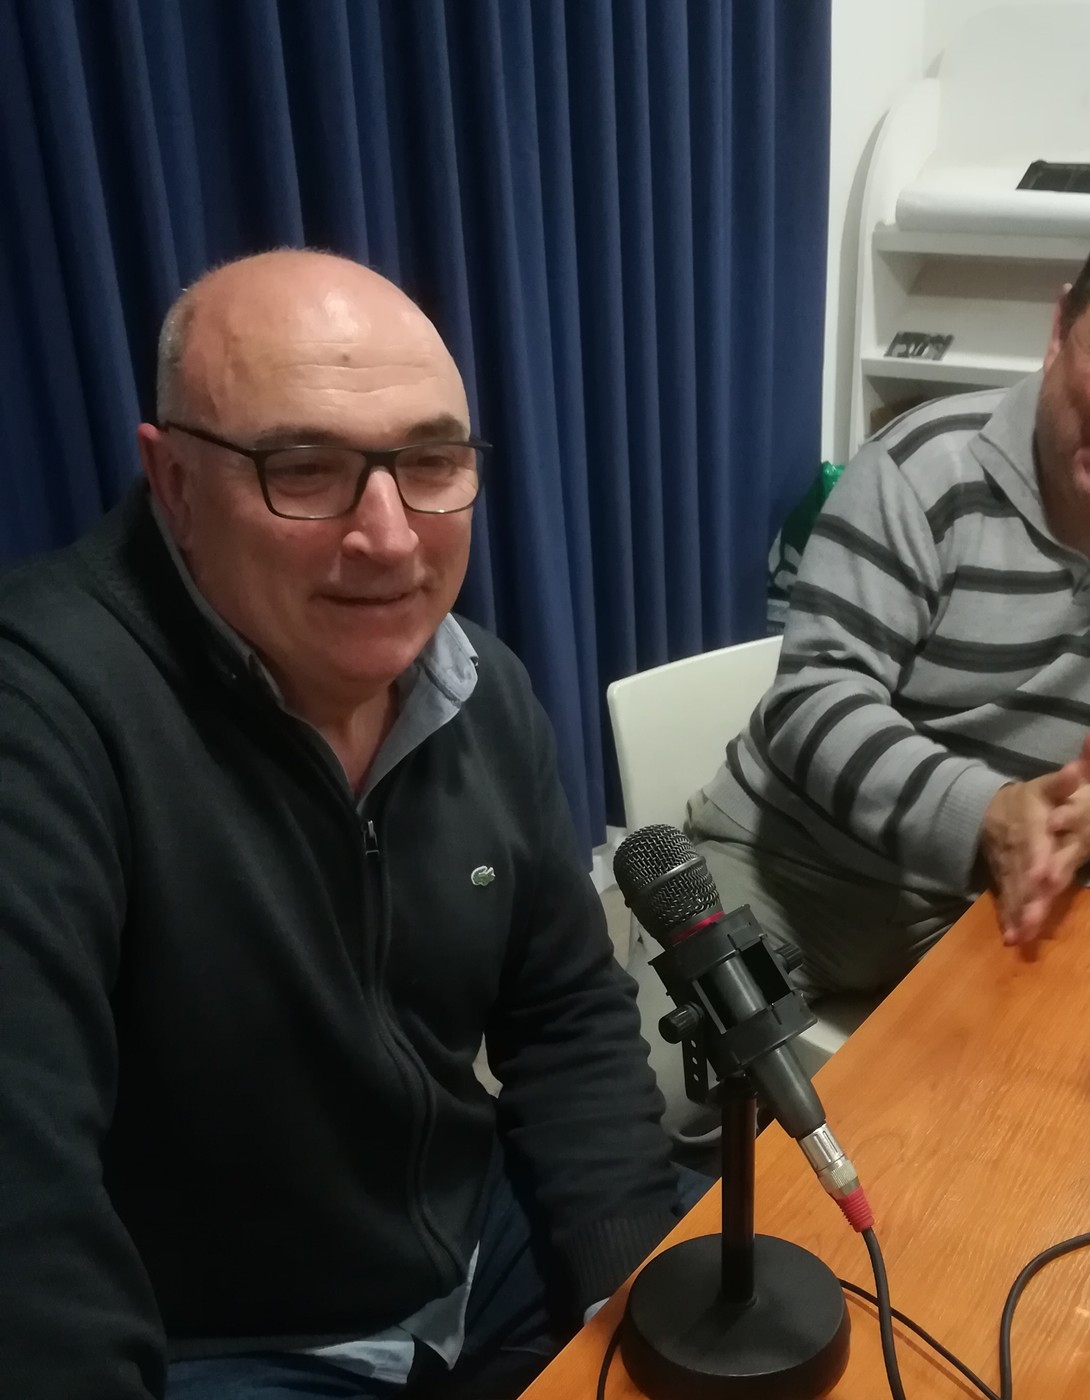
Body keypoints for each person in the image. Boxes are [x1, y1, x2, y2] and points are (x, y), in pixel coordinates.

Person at [0, 251, 693, 1400]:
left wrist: (626, 1294)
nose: (389, 537)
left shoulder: (485, 688)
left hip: (480, 1257)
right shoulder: (43, 719)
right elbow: (26, 1212)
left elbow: (564, 1013)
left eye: (430, 463)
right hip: (224, 1344)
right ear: (174, 482)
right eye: (306, 469)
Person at [685, 200, 1090, 996]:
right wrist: (986, 815)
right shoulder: (919, 468)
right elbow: (815, 704)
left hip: (1010, 900)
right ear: (1061, 329)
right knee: (656, 1069)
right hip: (791, 872)